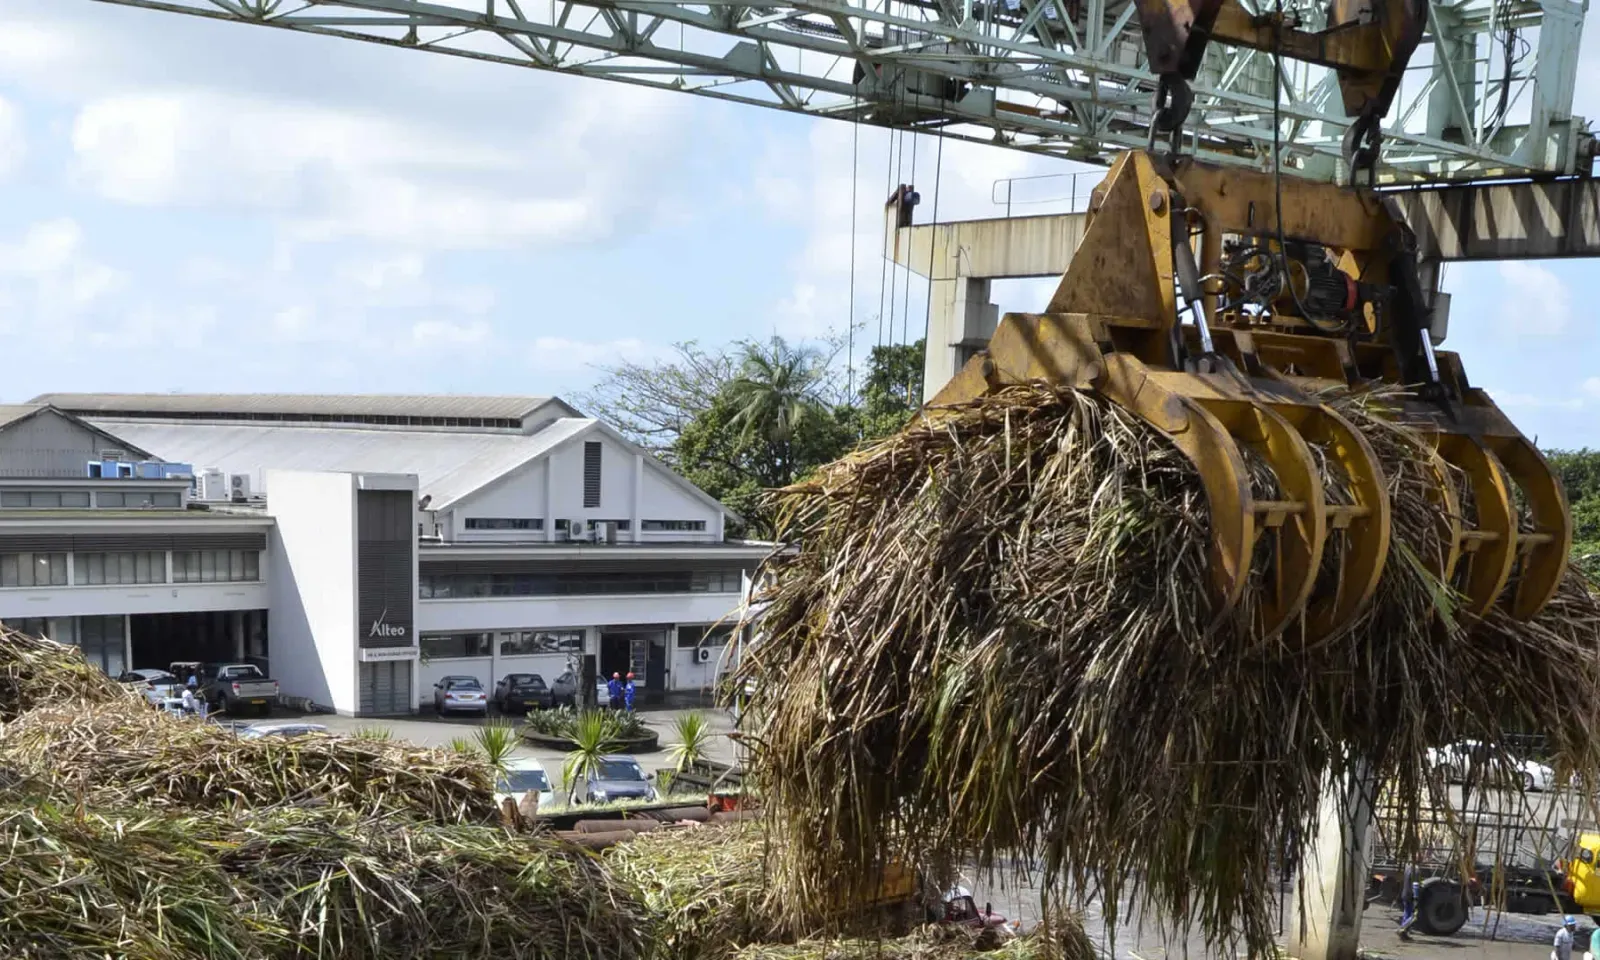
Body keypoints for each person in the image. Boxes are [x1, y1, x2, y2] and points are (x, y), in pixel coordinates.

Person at [1398, 855, 1420, 940]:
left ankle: (1404, 933)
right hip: (1410, 895)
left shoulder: (1407, 868)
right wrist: (1416, 897)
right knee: (1414, 915)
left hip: (1405, 893)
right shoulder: (1416, 870)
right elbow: (1415, 885)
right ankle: (1402, 929)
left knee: (1406, 913)